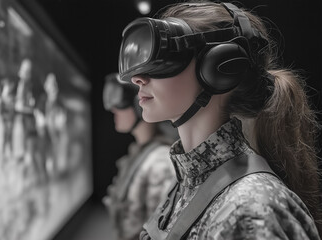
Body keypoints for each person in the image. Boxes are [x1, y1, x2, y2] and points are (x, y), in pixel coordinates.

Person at [118, 2, 322, 239]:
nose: (138, 78)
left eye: (165, 59)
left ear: (221, 67)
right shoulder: (189, 185)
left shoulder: (249, 211)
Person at [102, 73, 176, 240]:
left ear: (138, 104)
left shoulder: (160, 163)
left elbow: (162, 233)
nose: (114, 110)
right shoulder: (139, 153)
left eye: (121, 101)